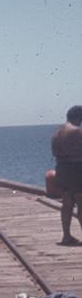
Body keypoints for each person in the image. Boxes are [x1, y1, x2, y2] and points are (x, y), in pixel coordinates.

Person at [51, 105, 82, 245]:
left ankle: (66, 236)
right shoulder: (77, 131)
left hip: (61, 168)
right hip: (76, 169)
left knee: (67, 203)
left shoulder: (57, 133)